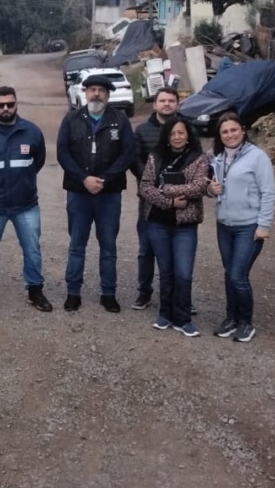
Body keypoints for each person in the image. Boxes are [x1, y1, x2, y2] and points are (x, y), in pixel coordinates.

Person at [0, 86, 52, 313]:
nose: (5, 109)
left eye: (10, 104)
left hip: (25, 205)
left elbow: (38, 161)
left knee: (32, 249)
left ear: (16, 104)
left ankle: (35, 290)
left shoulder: (31, 132)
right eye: (0, 105)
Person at [56, 73, 136, 312]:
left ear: (108, 94)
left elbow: (127, 153)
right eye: (92, 90)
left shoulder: (120, 121)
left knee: (108, 246)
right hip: (78, 193)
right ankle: (73, 292)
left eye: (102, 90)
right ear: (85, 93)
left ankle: (108, 293)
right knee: (77, 244)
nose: (97, 94)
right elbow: (63, 153)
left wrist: (104, 179)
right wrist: (83, 179)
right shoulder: (71, 119)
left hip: (109, 193)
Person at [208, 112, 275, 343]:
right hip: (224, 224)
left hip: (248, 226)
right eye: (225, 132)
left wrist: (264, 225)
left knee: (238, 275)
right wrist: (211, 190)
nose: (230, 135)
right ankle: (231, 318)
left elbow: (269, 192)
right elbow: (211, 186)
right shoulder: (216, 157)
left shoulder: (257, 157)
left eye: (234, 130)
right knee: (230, 275)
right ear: (220, 135)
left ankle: (246, 322)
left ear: (243, 131)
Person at [139, 116, 209, 337]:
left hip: (185, 226)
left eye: (181, 132)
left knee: (183, 274)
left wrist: (164, 188)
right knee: (166, 272)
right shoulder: (155, 157)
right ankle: (165, 314)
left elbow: (198, 188)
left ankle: (183, 319)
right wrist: (169, 200)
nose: (177, 137)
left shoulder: (199, 159)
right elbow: (145, 188)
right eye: (172, 134)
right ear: (167, 137)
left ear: (188, 135)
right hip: (158, 224)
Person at [130, 87, 180, 311]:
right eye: (163, 100)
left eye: (171, 100)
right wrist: (151, 183)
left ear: (177, 105)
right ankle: (144, 292)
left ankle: (180, 295)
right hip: (149, 200)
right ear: (155, 104)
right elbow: (134, 159)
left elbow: (196, 159)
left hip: (180, 200)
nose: (167, 104)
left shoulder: (185, 129)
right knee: (146, 249)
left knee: (178, 250)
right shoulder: (141, 131)